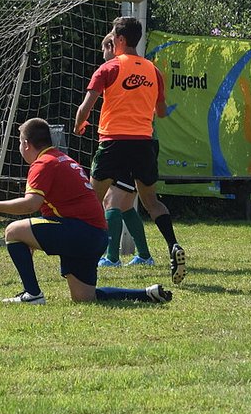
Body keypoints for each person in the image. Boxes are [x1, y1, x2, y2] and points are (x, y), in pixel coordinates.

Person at [0, 118, 171, 305]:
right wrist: (30, 237)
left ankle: (32, 294)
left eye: (19, 143)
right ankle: (146, 293)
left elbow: (31, 204)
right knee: (84, 297)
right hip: (95, 234)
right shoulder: (62, 159)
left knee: (13, 231)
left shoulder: (43, 163)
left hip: (80, 231)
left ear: (26, 144)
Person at [73, 15, 187, 284]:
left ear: (121, 40)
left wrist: (79, 125)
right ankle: (173, 244)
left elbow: (85, 107)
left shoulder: (108, 69)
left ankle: (85, 254)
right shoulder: (153, 71)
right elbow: (161, 112)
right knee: (151, 202)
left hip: (113, 142)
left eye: (113, 36)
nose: (112, 39)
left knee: (92, 200)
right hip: (144, 145)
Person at [90, 32, 156, 269]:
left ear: (113, 46)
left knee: (111, 201)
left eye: (104, 50)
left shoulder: (118, 69)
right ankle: (145, 256)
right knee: (125, 204)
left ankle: (112, 257)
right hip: (139, 145)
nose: (103, 56)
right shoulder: (135, 71)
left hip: (125, 145)